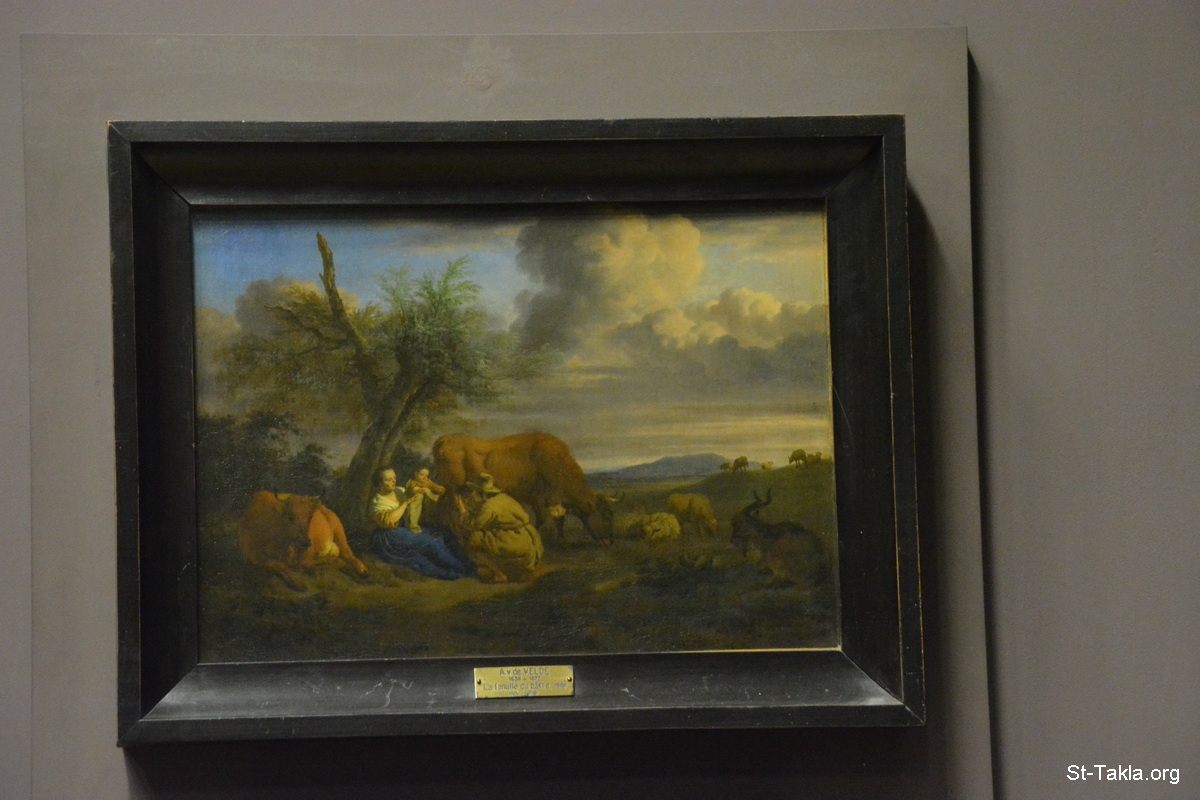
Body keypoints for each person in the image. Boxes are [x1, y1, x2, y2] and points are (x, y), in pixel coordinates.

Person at [369, 468, 475, 581]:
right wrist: (405, 503)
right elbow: (389, 522)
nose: (393, 481)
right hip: (391, 535)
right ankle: (461, 570)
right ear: (379, 483)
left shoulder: (400, 490)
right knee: (432, 542)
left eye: (394, 478)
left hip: (407, 527)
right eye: (388, 479)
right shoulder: (378, 502)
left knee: (444, 533)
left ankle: (466, 564)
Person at [462, 473, 545, 583]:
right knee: (487, 535)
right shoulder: (503, 498)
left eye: (475, 491)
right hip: (527, 537)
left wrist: (463, 511)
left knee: (474, 538)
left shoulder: (489, 506)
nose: (473, 494)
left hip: (513, 540)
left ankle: (499, 574)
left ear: (481, 492)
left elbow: (473, 525)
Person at [402, 467, 444, 533]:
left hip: (420, 503)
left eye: (426, 476)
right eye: (422, 475)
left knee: (419, 511)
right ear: (416, 474)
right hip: (410, 501)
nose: (424, 477)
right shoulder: (412, 482)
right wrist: (417, 490)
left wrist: (439, 488)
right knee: (412, 512)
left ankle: (417, 524)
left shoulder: (427, 482)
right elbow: (411, 489)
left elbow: (433, 486)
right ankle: (412, 525)